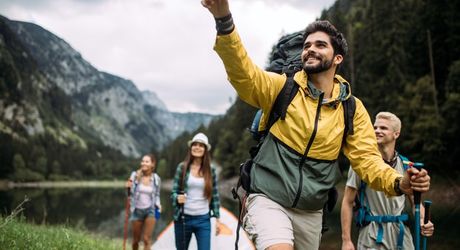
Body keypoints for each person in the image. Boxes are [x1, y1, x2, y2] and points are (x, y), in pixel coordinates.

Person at [201, 1, 431, 249]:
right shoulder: (282, 88)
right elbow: (244, 75)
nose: (310, 49)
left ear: (337, 58)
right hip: (267, 198)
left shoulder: (352, 109)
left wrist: (399, 183)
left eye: (320, 45)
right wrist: (223, 19)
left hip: (311, 212)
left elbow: (367, 161)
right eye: (307, 45)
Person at [341, 112, 435, 250]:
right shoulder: (361, 164)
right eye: (375, 127)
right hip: (371, 235)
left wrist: (423, 220)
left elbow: (416, 201)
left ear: (396, 134)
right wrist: (346, 240)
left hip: (401, 234)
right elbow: (347, 202)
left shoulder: (406, 165)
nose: (377, 131)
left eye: (383, 128)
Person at [171, 132, 221, 250]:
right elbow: (174, 192)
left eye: (201, 145)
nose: (197, 147)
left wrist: (218, 219)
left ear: (205, 149)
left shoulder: (211, 170)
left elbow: (214, 195)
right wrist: (177, 197)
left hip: (203, 220)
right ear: (191, 147)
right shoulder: (182, 167)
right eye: (195, 144)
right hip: (183, 218)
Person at [125, 153, 162, 250]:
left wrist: (158, 205)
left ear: (152, 164)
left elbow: (157, 194)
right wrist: (133, 183)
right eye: (142, 161)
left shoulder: (156, 178)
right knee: (135, 240)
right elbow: (130, 194)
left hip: (151, 210)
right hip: (137, 210)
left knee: (146, 239)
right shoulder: (134, 175)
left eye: (146, 161)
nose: (143, 163)